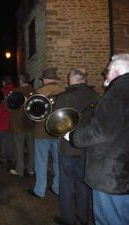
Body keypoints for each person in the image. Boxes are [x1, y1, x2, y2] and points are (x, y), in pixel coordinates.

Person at [68, 53, 129, 225]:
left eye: (108, 70)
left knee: (109, 220)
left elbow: (101, 131)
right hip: (124, 172)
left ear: (116, 72)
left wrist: (74, 136)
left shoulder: (115, 94)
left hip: (110, 176)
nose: (105, 75)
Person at [53, 69, 99, 225]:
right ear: (84, 80)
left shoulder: (65, 96)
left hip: (68, 146)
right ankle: (83, 218)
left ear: (71, 80)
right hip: (88, 146)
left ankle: (67, 219)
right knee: (82, 183)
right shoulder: (96, 96)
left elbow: (55, 123)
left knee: (66, 183)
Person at [29, 67, 64, 198]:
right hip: (58, 131)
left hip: (42, 131)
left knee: (41, 162)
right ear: (55, 79)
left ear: (44, 79)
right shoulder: (64, 92)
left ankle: (39, 190)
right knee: (58, 162)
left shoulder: (39, 92)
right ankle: (57, 187)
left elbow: (31, 114)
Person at [8, 73, 35, 177]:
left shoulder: (16, 91)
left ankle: (20, 170)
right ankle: (31, 169)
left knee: (19, 148)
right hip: (31, 123)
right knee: (31, 147)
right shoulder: (34, 91)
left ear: (20, 80)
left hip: (18, 124)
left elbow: (9, 107)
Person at [0, 75, 15, 164]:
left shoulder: (2, 92)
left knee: (3, 139)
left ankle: (3, 158)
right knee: (11, 139)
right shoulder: (15, 91)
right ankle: (11, 157)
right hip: (12, 119)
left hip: (2, 119)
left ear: (4, 82)